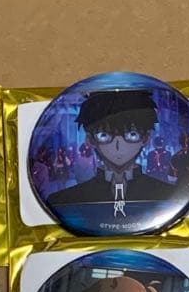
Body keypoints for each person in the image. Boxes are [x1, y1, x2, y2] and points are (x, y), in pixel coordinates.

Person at [46, 89, 174, 211]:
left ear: (145, 138)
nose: (118, 145)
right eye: (104, 135)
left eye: (132, 134)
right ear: (90, 140)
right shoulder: (63, 201)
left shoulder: (171, 197)